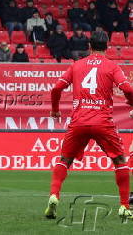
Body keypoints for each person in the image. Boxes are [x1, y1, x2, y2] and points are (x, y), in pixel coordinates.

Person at [45, 31, 133, 220]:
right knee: (120, 161)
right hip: (103, 122)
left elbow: (56, 88)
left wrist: (54, 110)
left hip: (79, 121)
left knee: (64, 160)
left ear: (89, 46)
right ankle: (124, 206)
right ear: (107, 46)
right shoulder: (112, 66)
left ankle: (54, 196)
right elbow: (127, 88)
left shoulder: (77, 65)